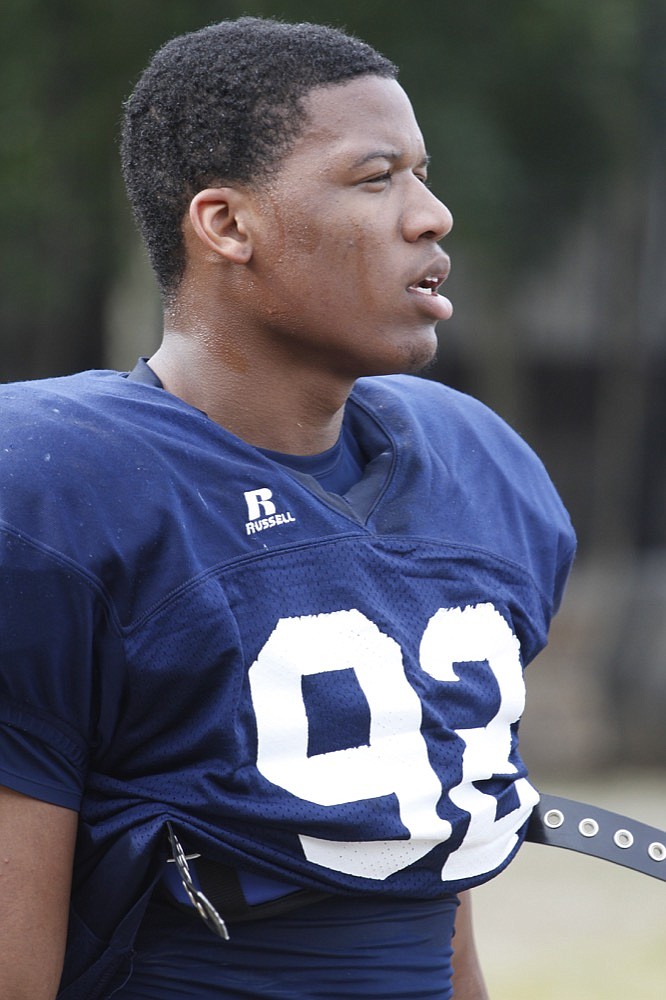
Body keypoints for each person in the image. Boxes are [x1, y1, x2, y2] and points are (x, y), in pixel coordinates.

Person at [0, 17, 576, 1000]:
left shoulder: (477, 469)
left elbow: (427, 867)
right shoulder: (57, 488)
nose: (431, 215)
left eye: (423, 174)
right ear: (227, 225)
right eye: (374, 177)